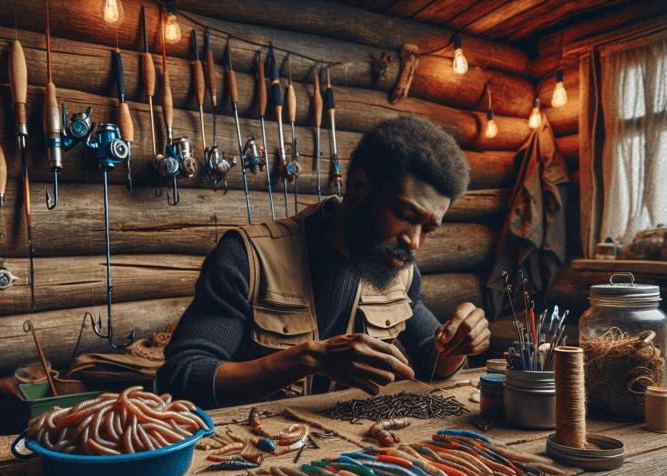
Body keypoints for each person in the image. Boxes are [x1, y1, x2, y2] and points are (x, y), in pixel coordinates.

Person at [157, 116, 490, 409]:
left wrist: (457, 346)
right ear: (359, 186)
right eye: (405, 215)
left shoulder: (399, 271)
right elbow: (180, 378)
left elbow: (431, 364)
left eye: (428, 227)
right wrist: (308, 359)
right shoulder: (247, 258)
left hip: (351, 457)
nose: (414, 242)